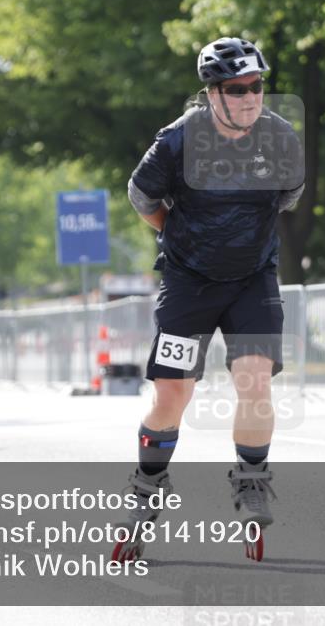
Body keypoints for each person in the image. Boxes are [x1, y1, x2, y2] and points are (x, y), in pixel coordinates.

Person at [114, 37, 305, 562]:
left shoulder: (280, 138)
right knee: (172, 397)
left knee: (256, 381)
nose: (250, 97)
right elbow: (141, 195)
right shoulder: (177, 140)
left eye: (257, 85)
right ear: (212, 93)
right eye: (237, 89)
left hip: (252, 281)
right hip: (188, 283)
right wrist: (178, 234)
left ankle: (252, 479)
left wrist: (240, 236)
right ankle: (148, 487)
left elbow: (287, 197)